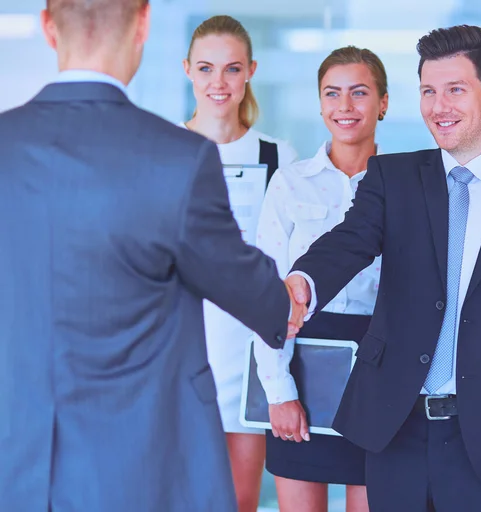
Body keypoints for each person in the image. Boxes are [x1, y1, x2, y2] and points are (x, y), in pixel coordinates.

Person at [0, 1, 306, 511]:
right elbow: (237, 277)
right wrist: (284, 301)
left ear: (47, 26)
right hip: (133, 463)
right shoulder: (178, 157)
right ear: (143, 23)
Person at [286, 25, 481, 512]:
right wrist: (302, 281)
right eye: (428, 90)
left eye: (455, 90)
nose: (438, 106)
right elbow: (348, 242)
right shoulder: (393, 177)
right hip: (395, 435)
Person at [254, 45, 389, 512]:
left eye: (359, 93)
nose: (345, 107)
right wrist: (279, 391)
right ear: (319, 103)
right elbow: (267, 294)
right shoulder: (289, 183)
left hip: (376, 374)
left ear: (384, 103)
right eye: (332, 94)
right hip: (301, 367)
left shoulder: (404, 187)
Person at [180, 15, 297, 511]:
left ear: (250, 70)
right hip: (178, 353)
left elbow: (290, 267)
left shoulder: (277, 156)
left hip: (249, 358)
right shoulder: (165, 148)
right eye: (206, 68)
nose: (218, 83)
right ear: (187, 70)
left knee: (237, 501)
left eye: (231, 69)